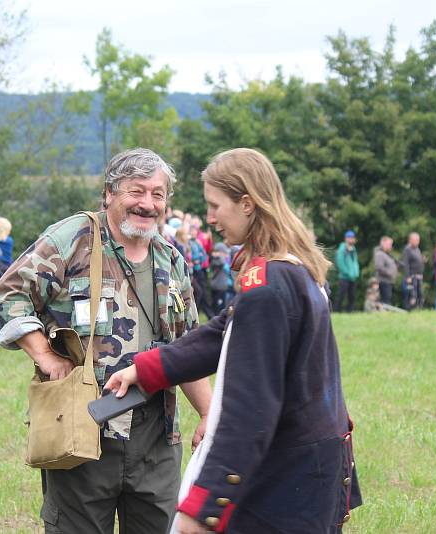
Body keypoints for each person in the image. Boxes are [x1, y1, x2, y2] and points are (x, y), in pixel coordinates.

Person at [105, 148, 361, 533]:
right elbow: (221, 333)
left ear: (246, 204)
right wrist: (146, 369)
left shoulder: (268, 288)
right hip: (312, 470)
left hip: (285, 483)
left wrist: (203, 508)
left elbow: (248, 413)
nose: (209, 218)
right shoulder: (292, 269)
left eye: (214, 205)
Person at [0, 147, 212, 534]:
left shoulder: (172, 259)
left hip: (157, 437)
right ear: (109, 193)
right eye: (136, 191)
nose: (148, 204)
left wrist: (209, 413)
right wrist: (45, 355)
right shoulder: (73, 238)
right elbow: (8, 294)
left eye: (157, 194)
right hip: (83, 426)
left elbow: (188, 347)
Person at [333, 230, 359, 312]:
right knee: (341, 295)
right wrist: (347, 273)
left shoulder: (353, 249)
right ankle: (336, 310)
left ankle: (350, 311)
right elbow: (340, 263)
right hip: (344, 277)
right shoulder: (342, 249)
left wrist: (356, 272)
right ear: (346, 239)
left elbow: (355, 262)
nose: (351, 239)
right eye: (349, 238)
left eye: (352, 238)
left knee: (352, 296)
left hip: (353, 277)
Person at [401, 232, 425, 310]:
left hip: (419, 276)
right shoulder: (407, 249)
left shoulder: (417, 249)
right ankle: (410, 310)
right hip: (411, 276)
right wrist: (408, 276)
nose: (418, 242)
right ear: (410, 240)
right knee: (412, 295)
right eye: (416, 240)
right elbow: (406, 264)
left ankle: (419, 309)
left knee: (420, 294)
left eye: (418, 240)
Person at [374, 236, 398, 305]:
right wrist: (389, 273)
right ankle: (383, 315)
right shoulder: (379, 254)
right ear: (383, 244)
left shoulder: (387, 255)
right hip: (383, 281)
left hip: (388, 281)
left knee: (388, 300)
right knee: (385, 301)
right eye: (389, 244)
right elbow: (379, 268)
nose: (391, 246)